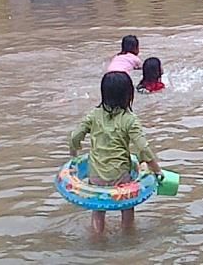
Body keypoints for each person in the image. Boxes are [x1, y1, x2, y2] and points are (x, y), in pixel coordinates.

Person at [69, 71, 163, 234]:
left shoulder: (94, 115)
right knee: (127, 207)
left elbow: (74, 136)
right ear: (128, 95)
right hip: (120, 174)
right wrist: (157, 170)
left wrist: (74, 158)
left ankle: (97, 240)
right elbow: (143, 148)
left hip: (96, 175)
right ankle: (128, 236)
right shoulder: (130, 119)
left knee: (98, 209)